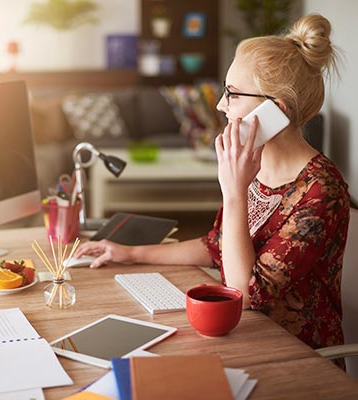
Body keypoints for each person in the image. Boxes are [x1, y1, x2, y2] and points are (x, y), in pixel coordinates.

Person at [74, 14, 350, 352]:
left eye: (232, 94)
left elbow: (244, 292)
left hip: (293, 354)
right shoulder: (253, 166)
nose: (221, 105)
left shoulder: (322, 190)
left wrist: (234, 192)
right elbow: (217, 246)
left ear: (274, 111)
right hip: (243, 334)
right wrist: (129, 253)